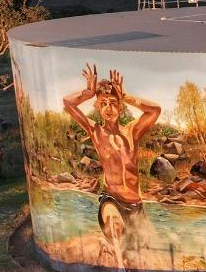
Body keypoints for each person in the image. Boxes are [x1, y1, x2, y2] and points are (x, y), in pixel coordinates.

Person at [62, 64, 161, 244]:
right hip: (112, 201)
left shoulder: (132, 131)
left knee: (147, 247)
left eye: (113, 103)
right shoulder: (96, 132)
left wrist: (125, 96)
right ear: (98, 108)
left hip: (136, 205)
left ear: (120, 107)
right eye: (103, 104)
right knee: (118, 235)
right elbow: (68, 103)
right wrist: (87, 93)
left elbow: (155, 110)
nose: (108, 108)